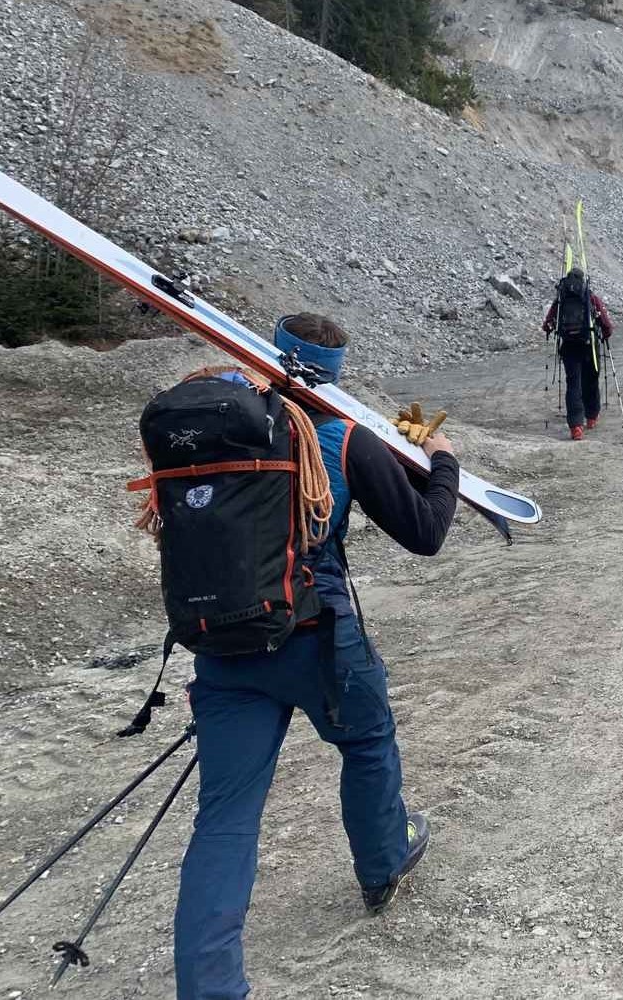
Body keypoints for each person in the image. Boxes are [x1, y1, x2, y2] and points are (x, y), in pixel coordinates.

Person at [173, 313, 457, 999]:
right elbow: (425, 532)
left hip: (223, 642)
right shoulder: (341, 435)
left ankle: (210, 989)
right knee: (366, 741)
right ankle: (383, 864)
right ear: (333, 371)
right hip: (315, 637)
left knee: (226, 816)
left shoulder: (210, 420)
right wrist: (441, 458)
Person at [542, 266, 615, 441]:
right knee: (591, 380)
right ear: (583, 280)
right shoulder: (590, 297)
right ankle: (591, 417)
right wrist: (605, 334)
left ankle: (576, 427)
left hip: (569, 347)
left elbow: (547, 324)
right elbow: (607, 325)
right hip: (589, 344)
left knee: (573, 384)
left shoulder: (561, 299)